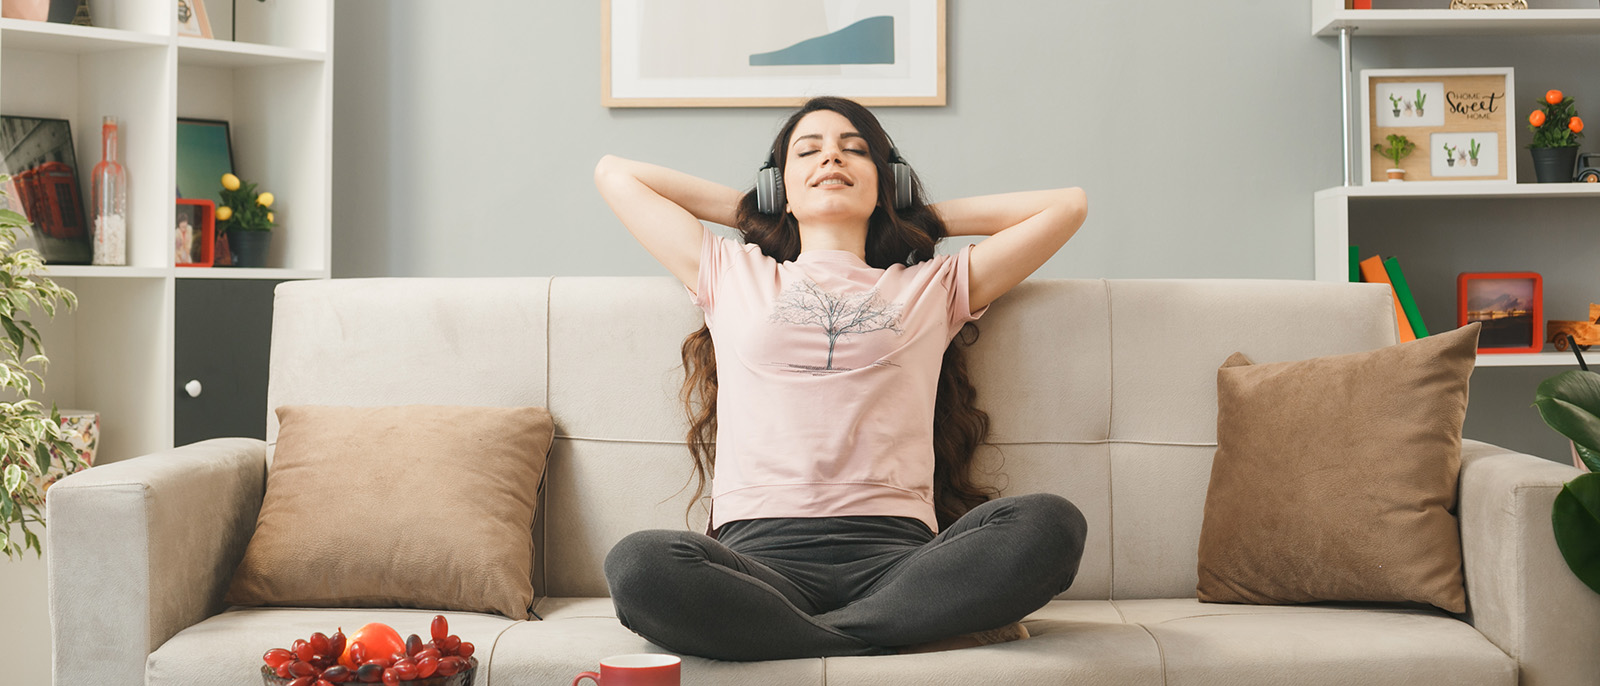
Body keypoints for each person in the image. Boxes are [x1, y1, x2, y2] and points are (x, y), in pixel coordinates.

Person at [593, 96, 1090, 662]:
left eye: (854, 151)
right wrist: (763, 208)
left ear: (888, 182)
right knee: (638, 566)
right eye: (809, 152)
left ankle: (805, 637)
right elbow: (616, 173)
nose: (831, 159)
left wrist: (911, 213)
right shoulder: (731, 273)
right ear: (780, 185)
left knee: (1051, 525)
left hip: (900, 560)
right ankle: (905, 633)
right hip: (758, 561)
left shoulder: (933, 286)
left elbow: (1067, 207)